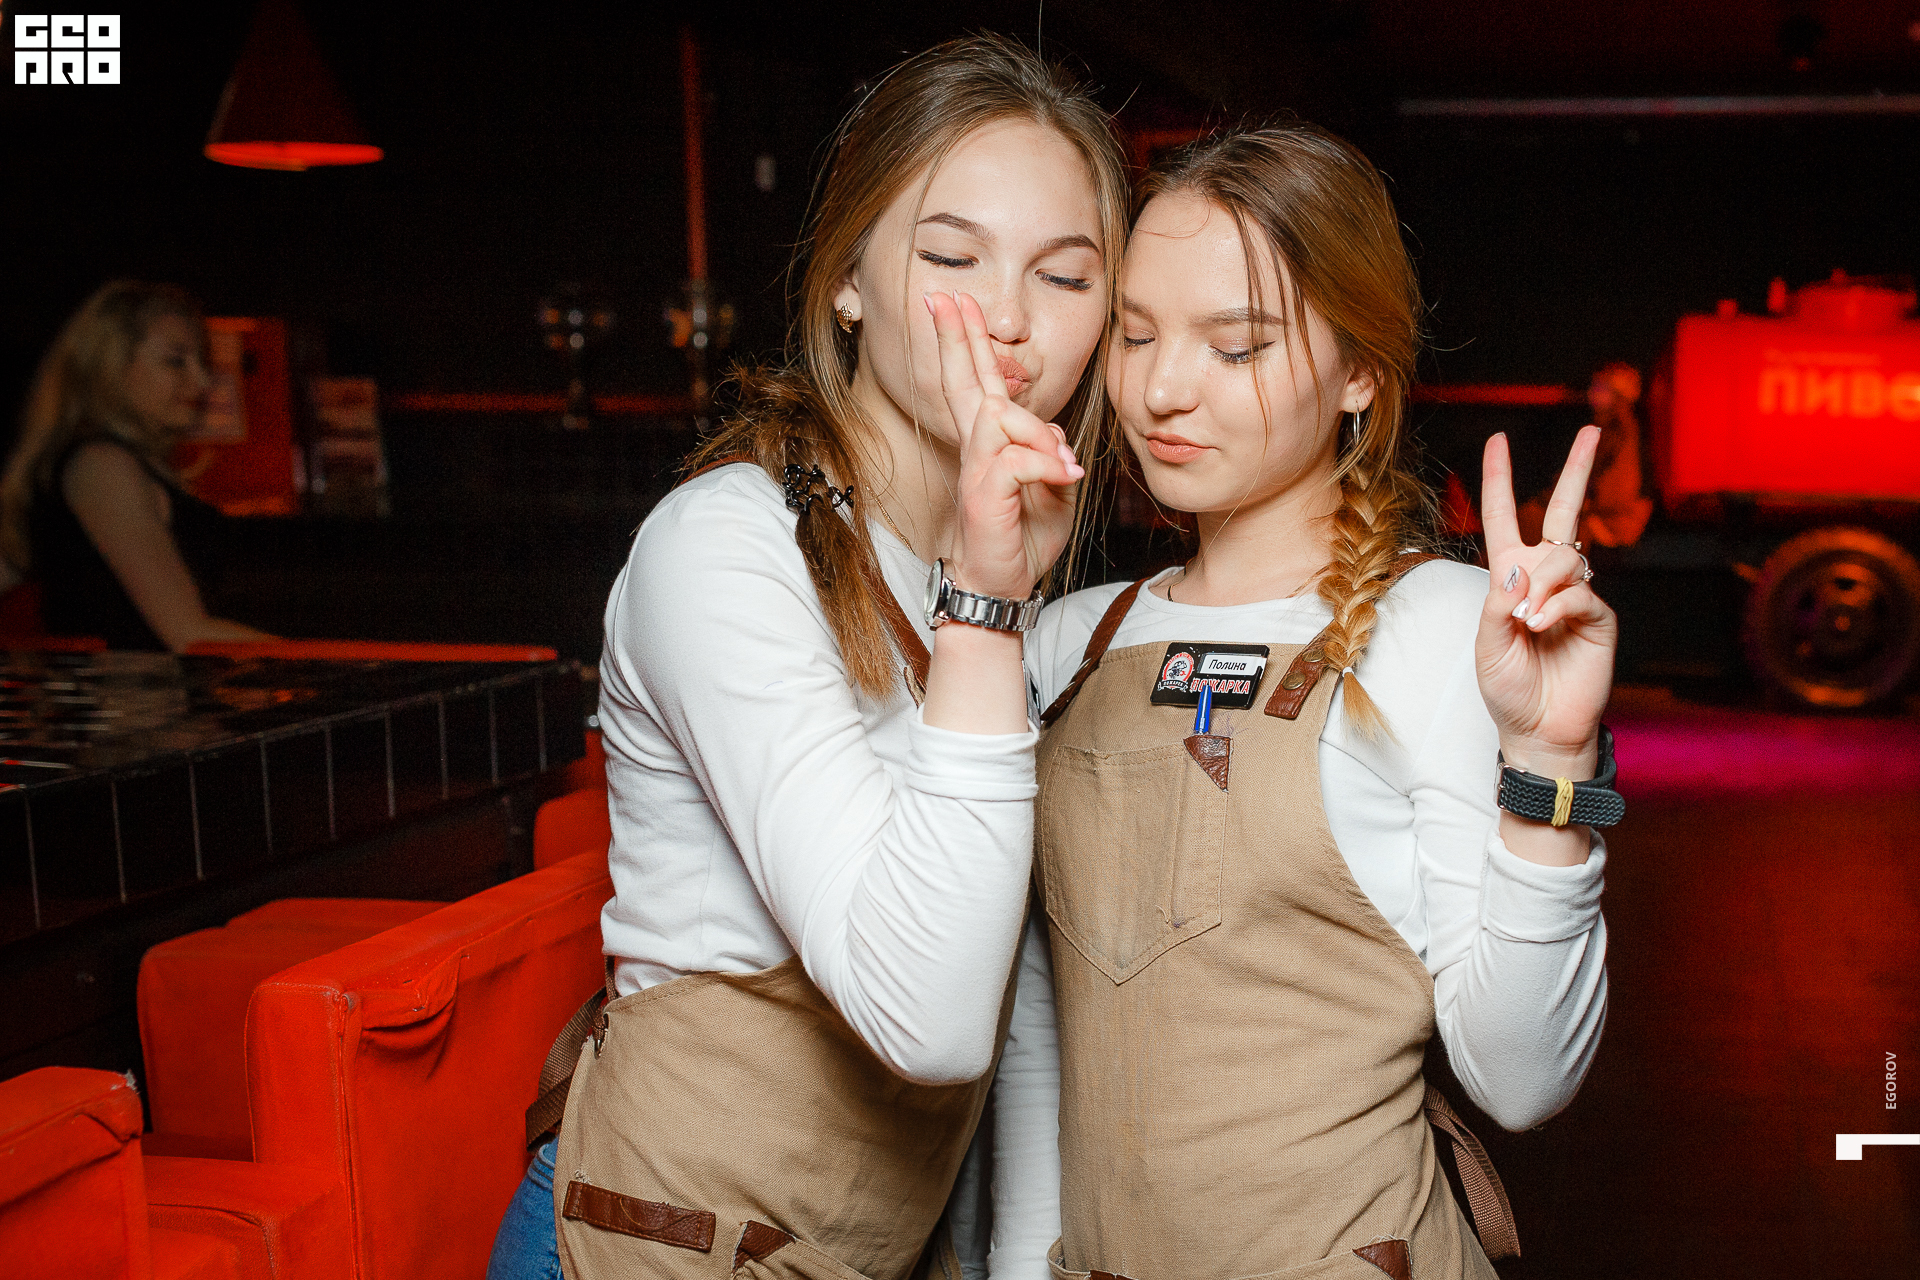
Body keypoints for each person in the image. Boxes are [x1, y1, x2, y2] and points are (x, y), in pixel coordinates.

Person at [485, 35, 1128, 1280]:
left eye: (1063, 275)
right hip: (651, 1247)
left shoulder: (989, 569)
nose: (1007, 319)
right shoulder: (726, 547)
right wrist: (987, 611)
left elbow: (1015, 986)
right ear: (846, 281)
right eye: (950, 258)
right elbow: (928, 1017)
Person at [1016, 125, 1616, 1279]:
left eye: (1235, 345)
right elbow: (1039, 1049)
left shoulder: (1439, 628)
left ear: (1360, 374)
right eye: (1134, 333)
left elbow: (1523, 1079)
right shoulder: (1065, 640)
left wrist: (1549, 759)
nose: (1160, 388)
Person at [0, 280, 270, 651]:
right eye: (176, 361)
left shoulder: (101, 463)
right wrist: (323, 663)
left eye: (203, 363)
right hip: (137, 690)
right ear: (111, 365)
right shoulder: (101, 465)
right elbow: (189, 634)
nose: (203, 381)